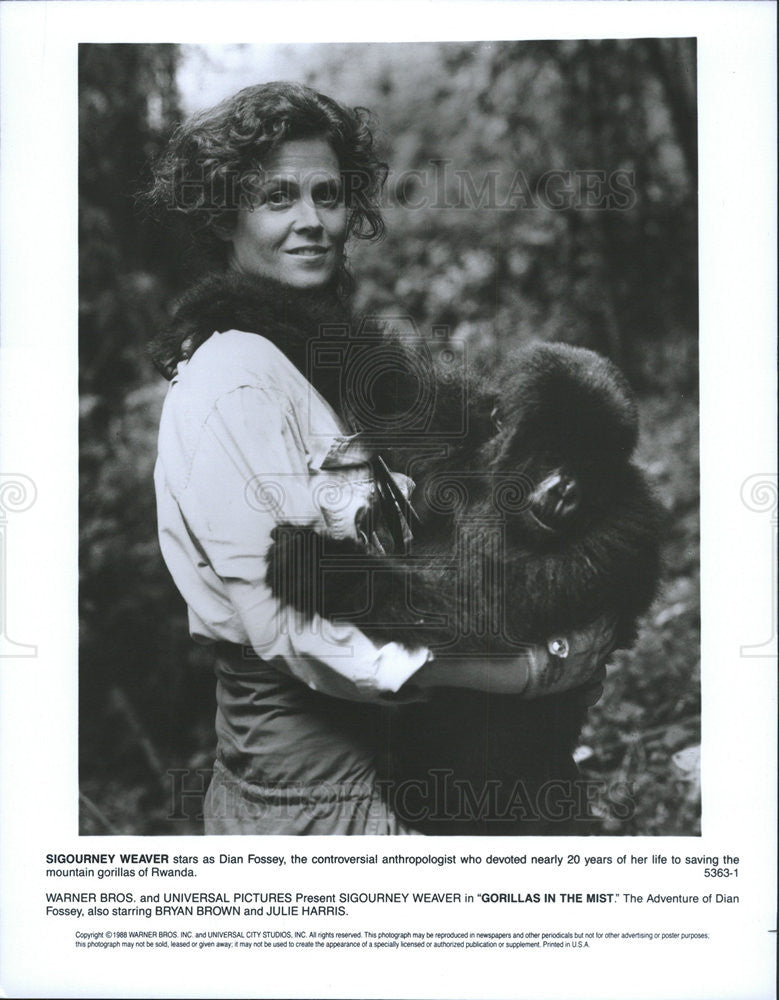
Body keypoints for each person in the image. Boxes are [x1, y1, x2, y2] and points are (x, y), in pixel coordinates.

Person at [147, 81, 614, 835]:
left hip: (411, 750)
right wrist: (529, 670)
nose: (311, 222)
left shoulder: (320, 353)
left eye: (327, 195)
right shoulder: (234, 377)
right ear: (224, 212)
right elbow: (290, 629)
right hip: (315, 790)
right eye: (277, 198)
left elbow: (448, 520)